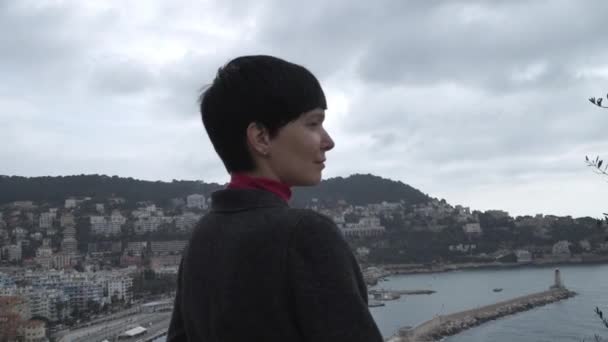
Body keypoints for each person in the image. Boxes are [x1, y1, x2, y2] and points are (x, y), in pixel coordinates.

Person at [167, 55, 383, 341]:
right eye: (313, 123)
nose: (328, 141)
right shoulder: (305, 234)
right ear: (261, 138)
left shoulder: (203, 235)